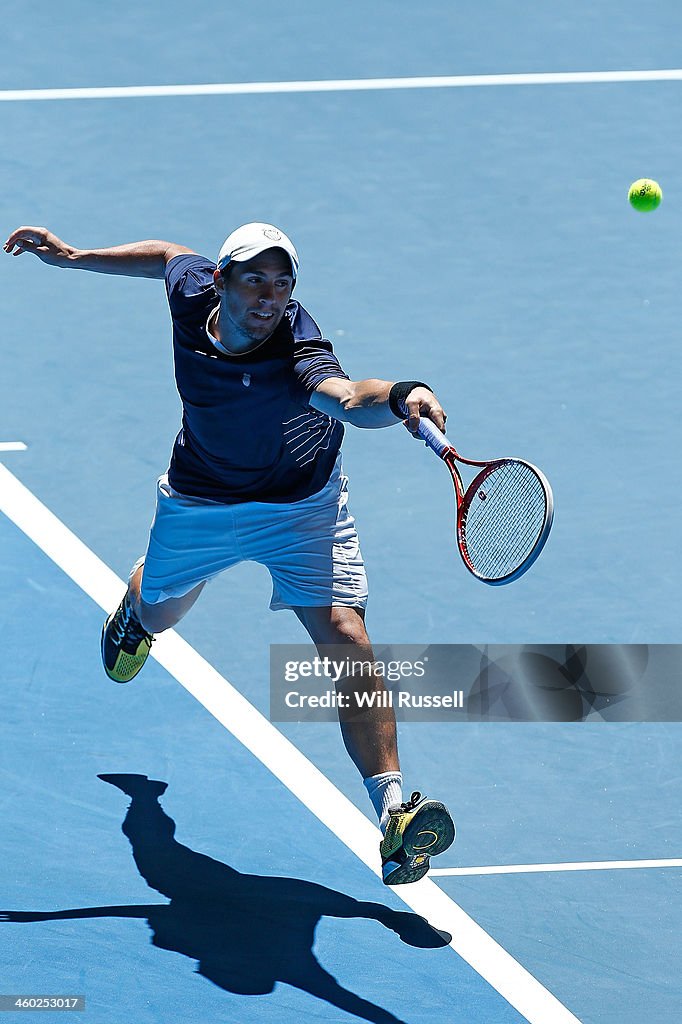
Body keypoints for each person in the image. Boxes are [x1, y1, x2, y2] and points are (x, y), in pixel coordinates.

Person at [4, 221, 455, 885]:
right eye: (255, 279)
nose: (271, 296)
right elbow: (164, 255)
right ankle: (136, 611)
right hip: (202, 504)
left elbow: (348, 396)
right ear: (221, 281)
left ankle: (392, 812)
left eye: (283, 282)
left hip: (302, 506)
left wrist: (399, 397)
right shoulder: (192, 289)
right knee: (159, 614)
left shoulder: (299, 350)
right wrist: (74, 258)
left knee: (345, 636)